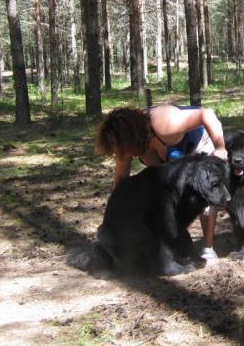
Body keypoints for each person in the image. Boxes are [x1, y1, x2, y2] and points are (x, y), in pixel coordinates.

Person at [95, 105, 228, 264]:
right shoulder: (125, 146)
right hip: (172, 160)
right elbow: (120, 185)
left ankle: (208, 248)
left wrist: (220, 147)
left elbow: (206, 114)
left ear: (131, 136)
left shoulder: (165, 124)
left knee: (204, 193)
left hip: (198, 141)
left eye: (122, 149)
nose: (122, 155)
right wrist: (112, 221)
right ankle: (178, 248)